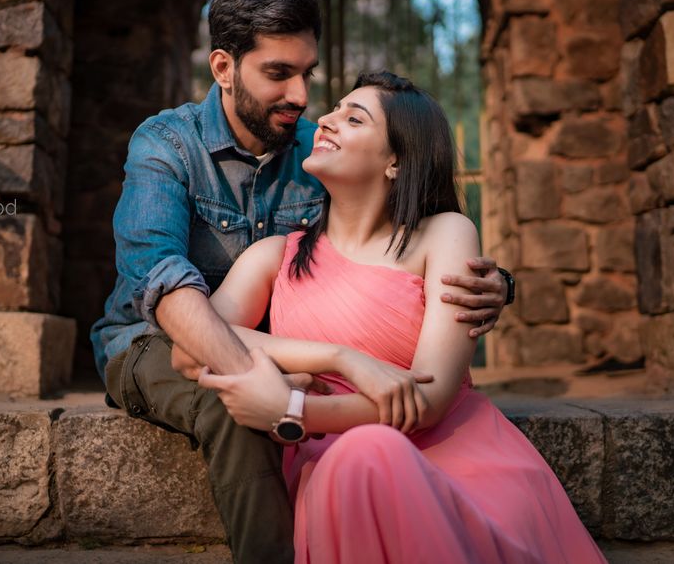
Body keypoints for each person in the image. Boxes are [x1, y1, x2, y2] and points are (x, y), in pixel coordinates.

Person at [91, 0, 513, 564]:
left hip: (280, 347)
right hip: (152, 340)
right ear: (223, 68)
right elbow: (163, 282)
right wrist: (303, 379)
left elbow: (405, 223)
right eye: (277, 73)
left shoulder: (321, 149)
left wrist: (495, 283)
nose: (301, 96)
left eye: (306, 74)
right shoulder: (167, 144)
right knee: (231, 399)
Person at [198, 71, 606, 564]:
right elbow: (197, 340)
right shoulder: (274, 256)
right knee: (361, 456)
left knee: (371, 451)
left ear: (395, 160)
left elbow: (431, 399)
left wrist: (293, 412)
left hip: (455, 459)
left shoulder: (444, 235)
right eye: (334, 111)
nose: (324, 120)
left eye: (353, 118)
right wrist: (339, 358)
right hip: (331, 467)